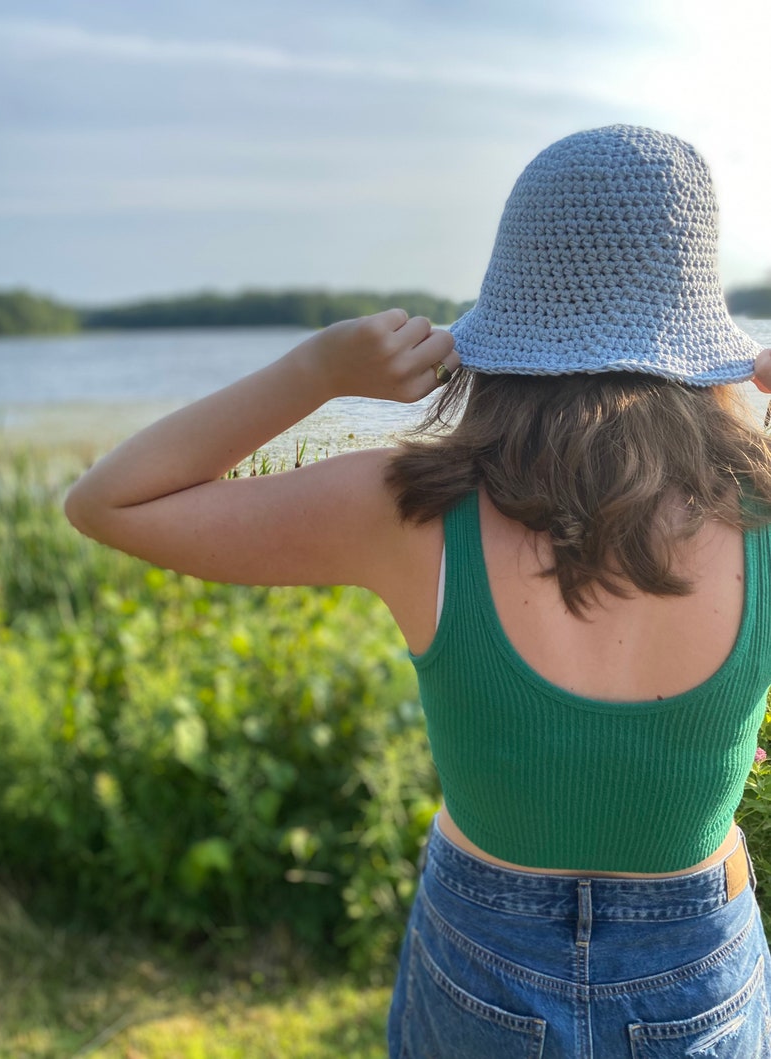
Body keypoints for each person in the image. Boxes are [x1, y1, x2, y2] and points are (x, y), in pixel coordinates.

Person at [65, 125, 771, 1057]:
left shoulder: (410, 506)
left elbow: (109, 501)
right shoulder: (760, 503)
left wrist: (317, 373)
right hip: (699, 959)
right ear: (696, 321)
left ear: (512, 301)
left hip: (482, 954)